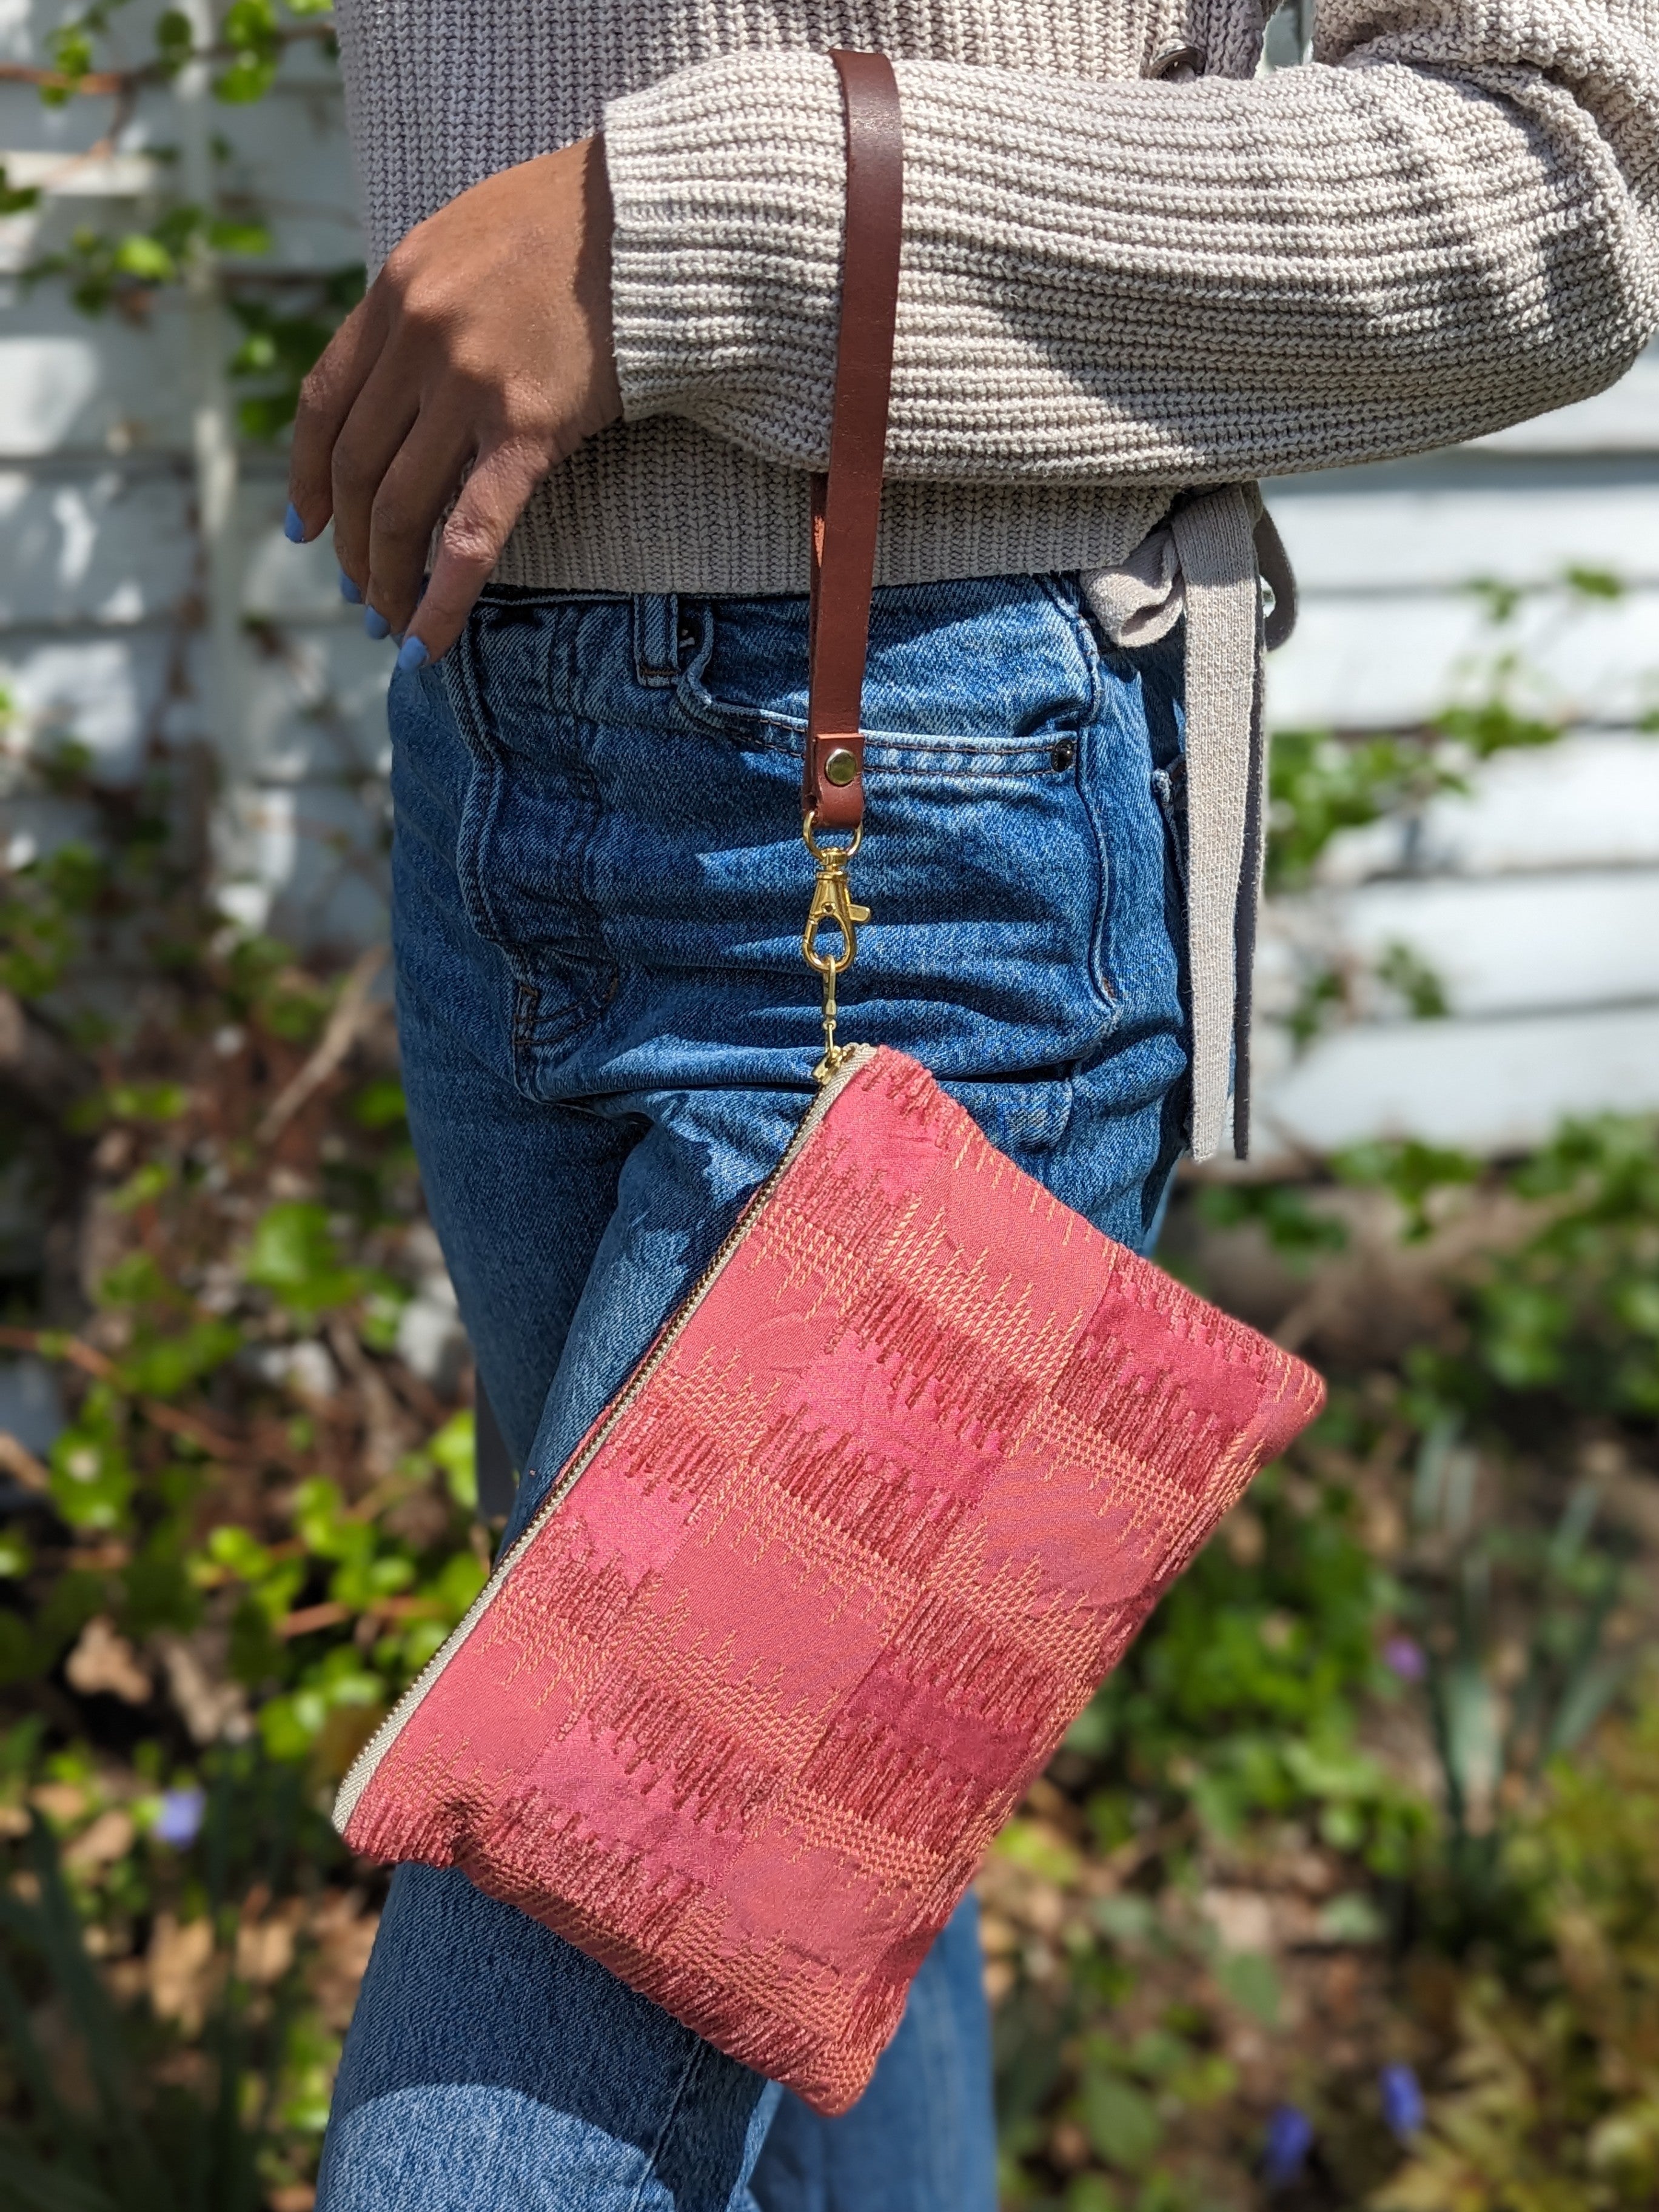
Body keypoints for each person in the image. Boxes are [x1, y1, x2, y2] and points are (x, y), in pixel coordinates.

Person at [287, 0, 1659, 2204]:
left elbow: (1572, 183)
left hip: (926, 829)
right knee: (813, 1912)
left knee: (510, 2085)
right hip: (495, 768)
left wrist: (693, 237)